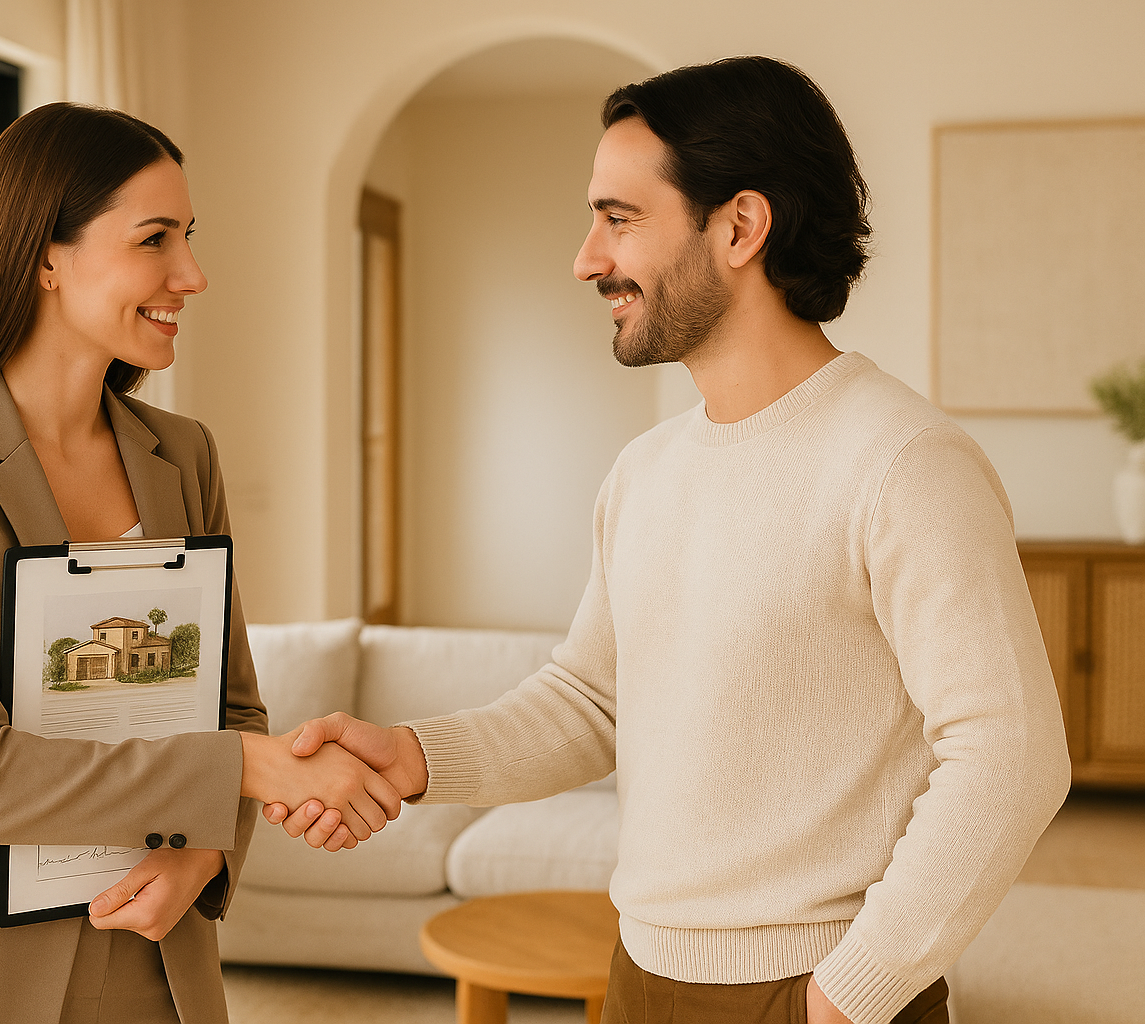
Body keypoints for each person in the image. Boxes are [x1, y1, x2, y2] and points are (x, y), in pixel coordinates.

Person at [269, 57, 1072, 1024]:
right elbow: (591, 699)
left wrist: (845, 995)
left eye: (619, 217)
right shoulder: (644, 473)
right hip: (641, 974)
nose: (585, 257)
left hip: (812, 992)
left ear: (740, 225)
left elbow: (1010, 750)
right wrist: (413, 755)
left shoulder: (905, 462)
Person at [0, 103, 399, 1024]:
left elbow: (233, 705)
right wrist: (245, 770)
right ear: (46, 257)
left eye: (190, 236)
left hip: (151, 938)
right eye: (154, 239)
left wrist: (205, 854)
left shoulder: (183, 453)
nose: (193, 274)